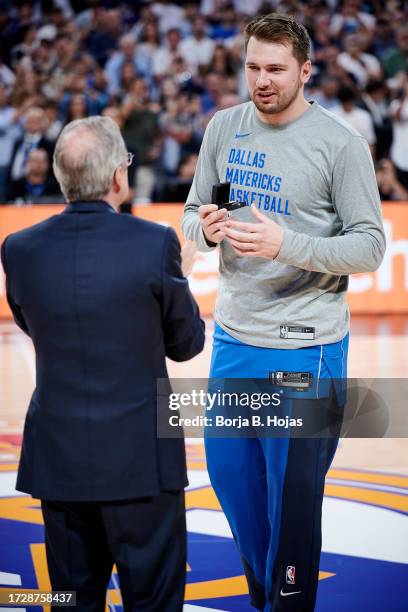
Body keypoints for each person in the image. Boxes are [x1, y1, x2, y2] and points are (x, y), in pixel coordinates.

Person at [182, 13, 385, 612]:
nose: (262, 80)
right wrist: (208, 227)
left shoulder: (340, 145)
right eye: (253, 67)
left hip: (306, 345)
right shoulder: (225, 128)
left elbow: (370, 245)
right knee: (232, 482)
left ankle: (287, 602)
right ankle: (263, 593)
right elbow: (194, 210)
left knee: (292, 501)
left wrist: (286, 244)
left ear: (305, 70)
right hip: (234, 337)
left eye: (275, 69)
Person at [1, 116, 205, 611]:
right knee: (152, 601)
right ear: (119, 176)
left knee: (71, 599)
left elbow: (33, 324)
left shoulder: (18, 249)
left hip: (59, 461)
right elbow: (187, 344)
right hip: (141, 463)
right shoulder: (155, 244)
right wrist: (179, 277)